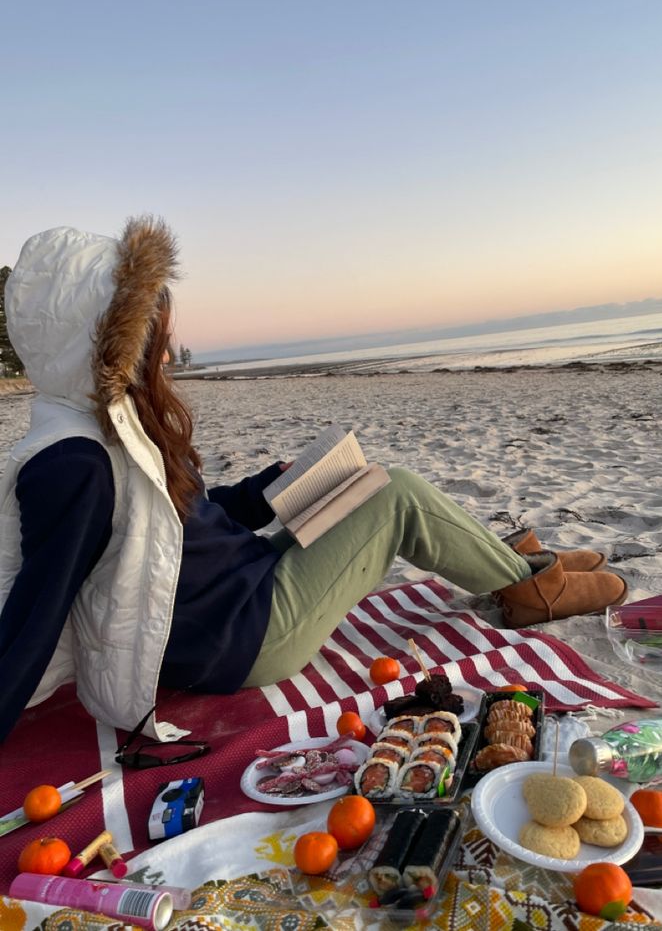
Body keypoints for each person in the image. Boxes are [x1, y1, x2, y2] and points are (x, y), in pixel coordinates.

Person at [0, 218, 626, 744]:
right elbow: (36, 610)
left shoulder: (110, 428)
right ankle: (529, 590)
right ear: (108, 347)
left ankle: (505, 562)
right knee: (399, 494)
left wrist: (261, 491)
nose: (165, 356)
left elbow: (174, 525)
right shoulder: (72, 463)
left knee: (364, 482)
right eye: (154, 341)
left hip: (242, 585)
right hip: (244, 635)